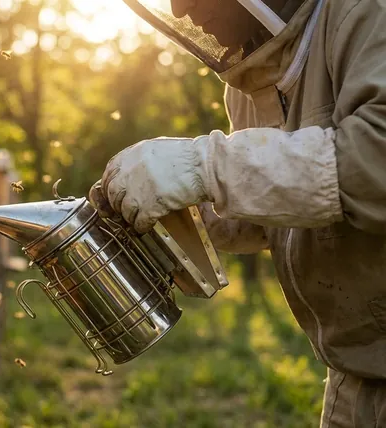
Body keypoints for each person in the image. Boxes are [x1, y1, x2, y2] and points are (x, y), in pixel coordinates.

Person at [88, 0, 386, 426]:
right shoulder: (250, 79)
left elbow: (376, 162)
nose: (180, 8)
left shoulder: (367, 11)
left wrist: (204, 167)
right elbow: (282, 204)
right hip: (349, 376)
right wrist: (186, 211)